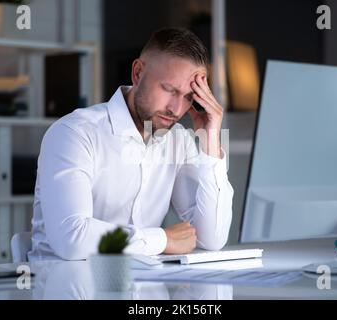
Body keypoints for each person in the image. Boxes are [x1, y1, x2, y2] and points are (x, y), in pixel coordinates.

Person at [28, 28, 233, 261]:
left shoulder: (177, 140)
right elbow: (71, 239)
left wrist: (211, 140)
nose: (176, 109)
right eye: (169, 89)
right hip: (65, 287)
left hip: (141, 286)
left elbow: (211, 238)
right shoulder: (74, 133)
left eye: (188, 97)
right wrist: (162, 240)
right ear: (137, 73)